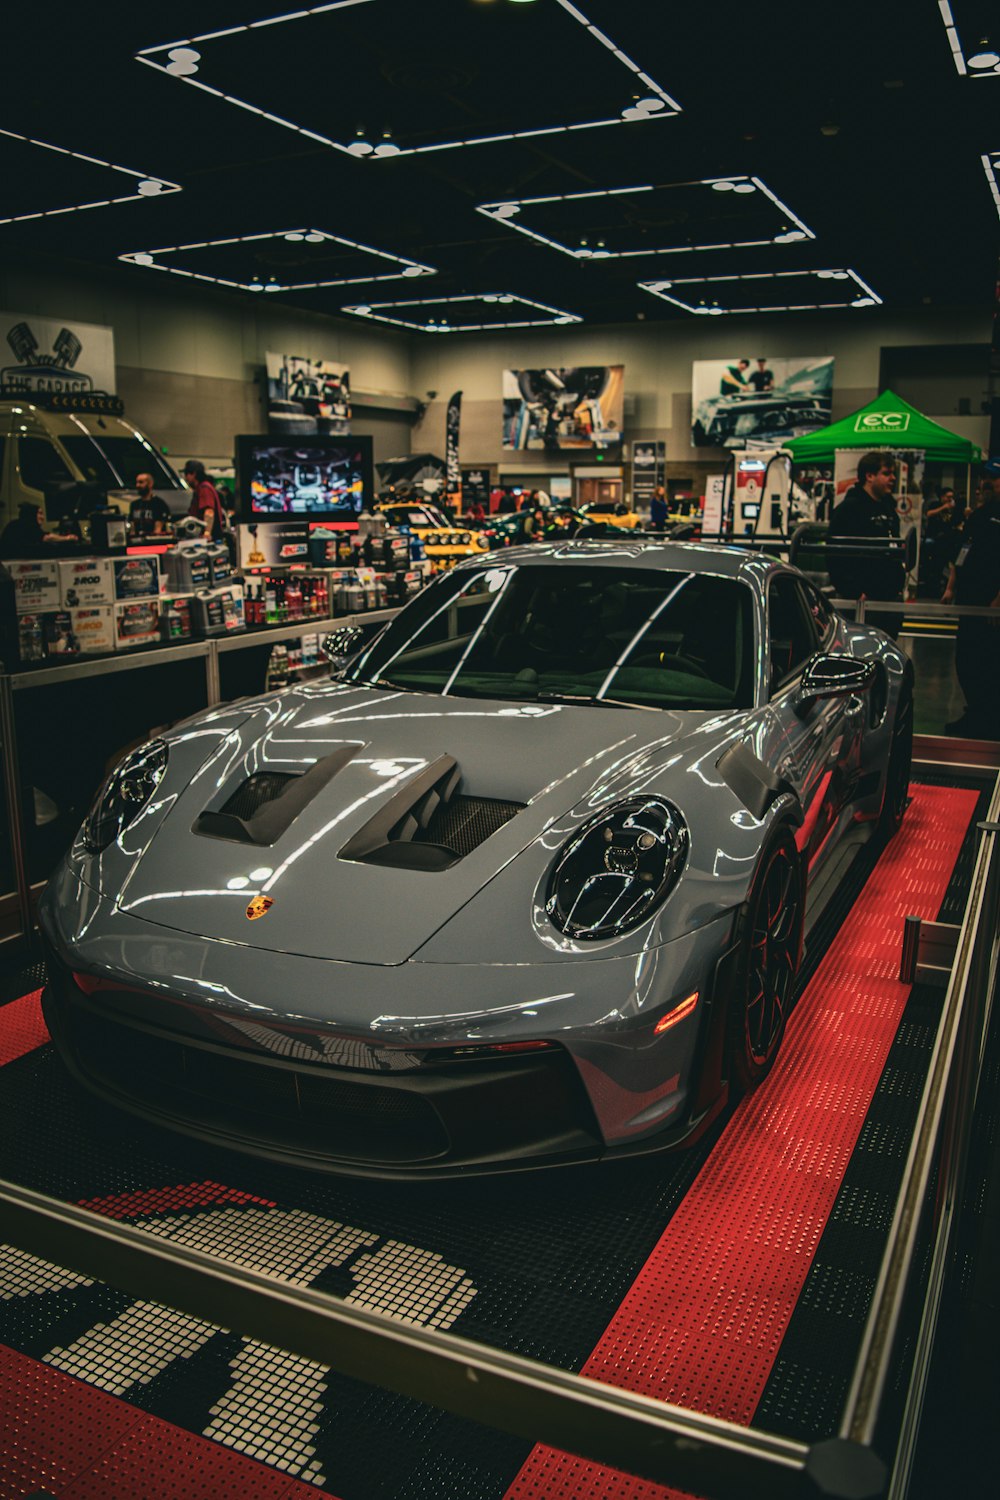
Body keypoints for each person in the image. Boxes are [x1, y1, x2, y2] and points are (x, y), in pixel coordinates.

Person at [941, 466, 1000, 737]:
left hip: (990, 606)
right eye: (984, 480)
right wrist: (951, 588)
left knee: (989, 662)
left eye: (993, 480)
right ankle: (976, 713)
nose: (986, 485)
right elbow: (962, 552)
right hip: (970, 603)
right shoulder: (977, 516)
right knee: (967, 660)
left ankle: (989, 719)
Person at [827, 452, 904, 634]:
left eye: (893, 473)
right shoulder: (848, 510)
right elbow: (834, 554)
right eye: (886, 473)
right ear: (869, 476)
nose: (893, 478)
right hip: (862, 603)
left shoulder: (888, 509)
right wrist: (852, 591)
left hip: (889, 599)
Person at [183, 460, 227, 542]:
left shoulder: (204, 489)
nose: (186, 478)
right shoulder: (202, 488)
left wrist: (207, 533)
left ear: (194, 474)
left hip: (210, 540)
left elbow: (209, 511)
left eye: (187, 474)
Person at [128, 473, 172, 538]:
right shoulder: (134, 505)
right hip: (137, 542)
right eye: (136, 482)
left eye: (141, 482)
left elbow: (158, 530)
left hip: (152, 542)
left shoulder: (159, 504)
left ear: (150, 484)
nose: (137, 485)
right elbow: (132, 529)